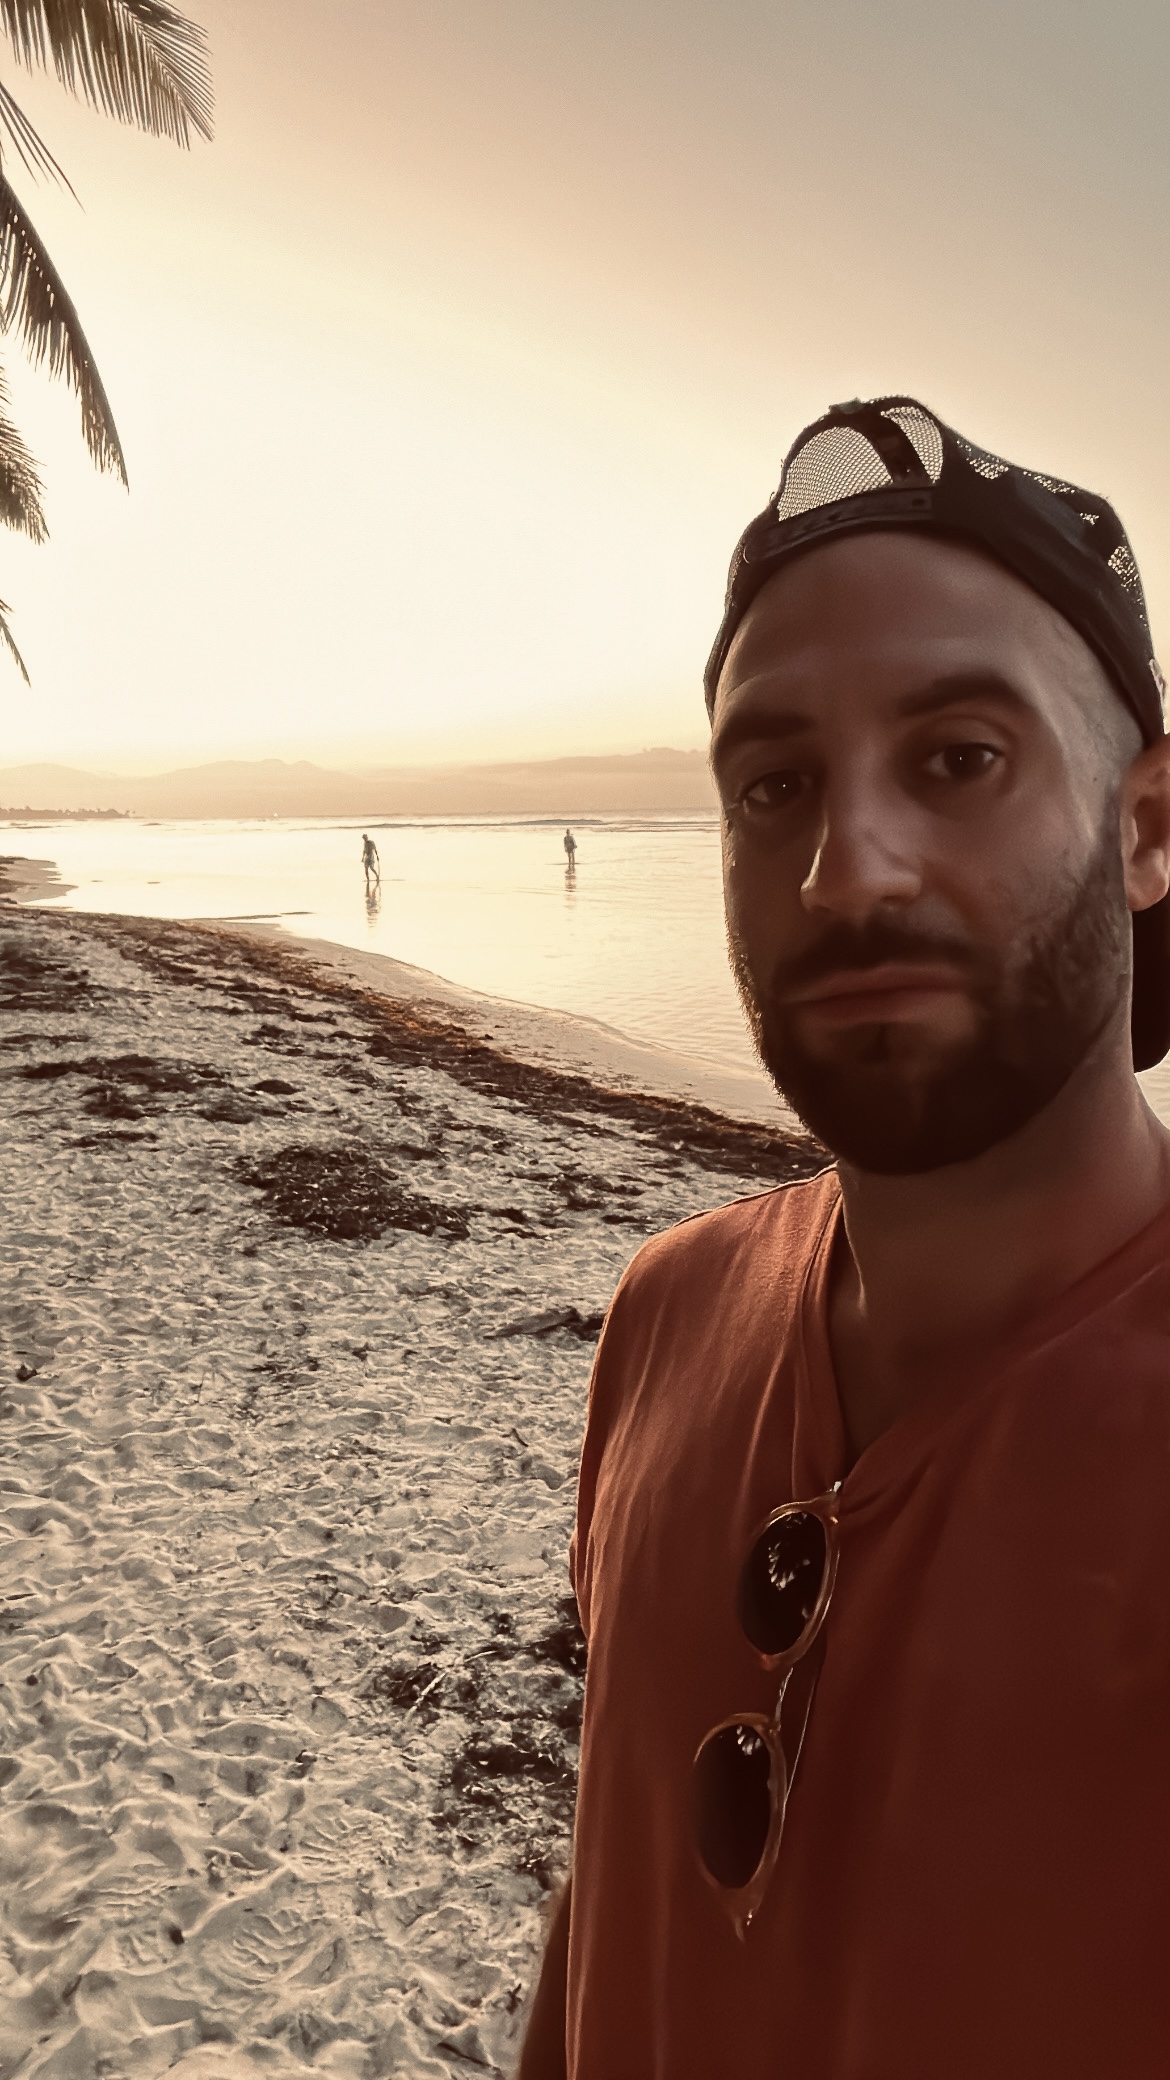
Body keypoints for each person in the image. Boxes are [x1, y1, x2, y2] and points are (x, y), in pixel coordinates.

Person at [517, 397, 1170, 2079]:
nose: (842, 869)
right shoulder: (667, 1312)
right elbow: (610, 1892)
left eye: (956, 758)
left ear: (1147, 829)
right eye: (773, 785)